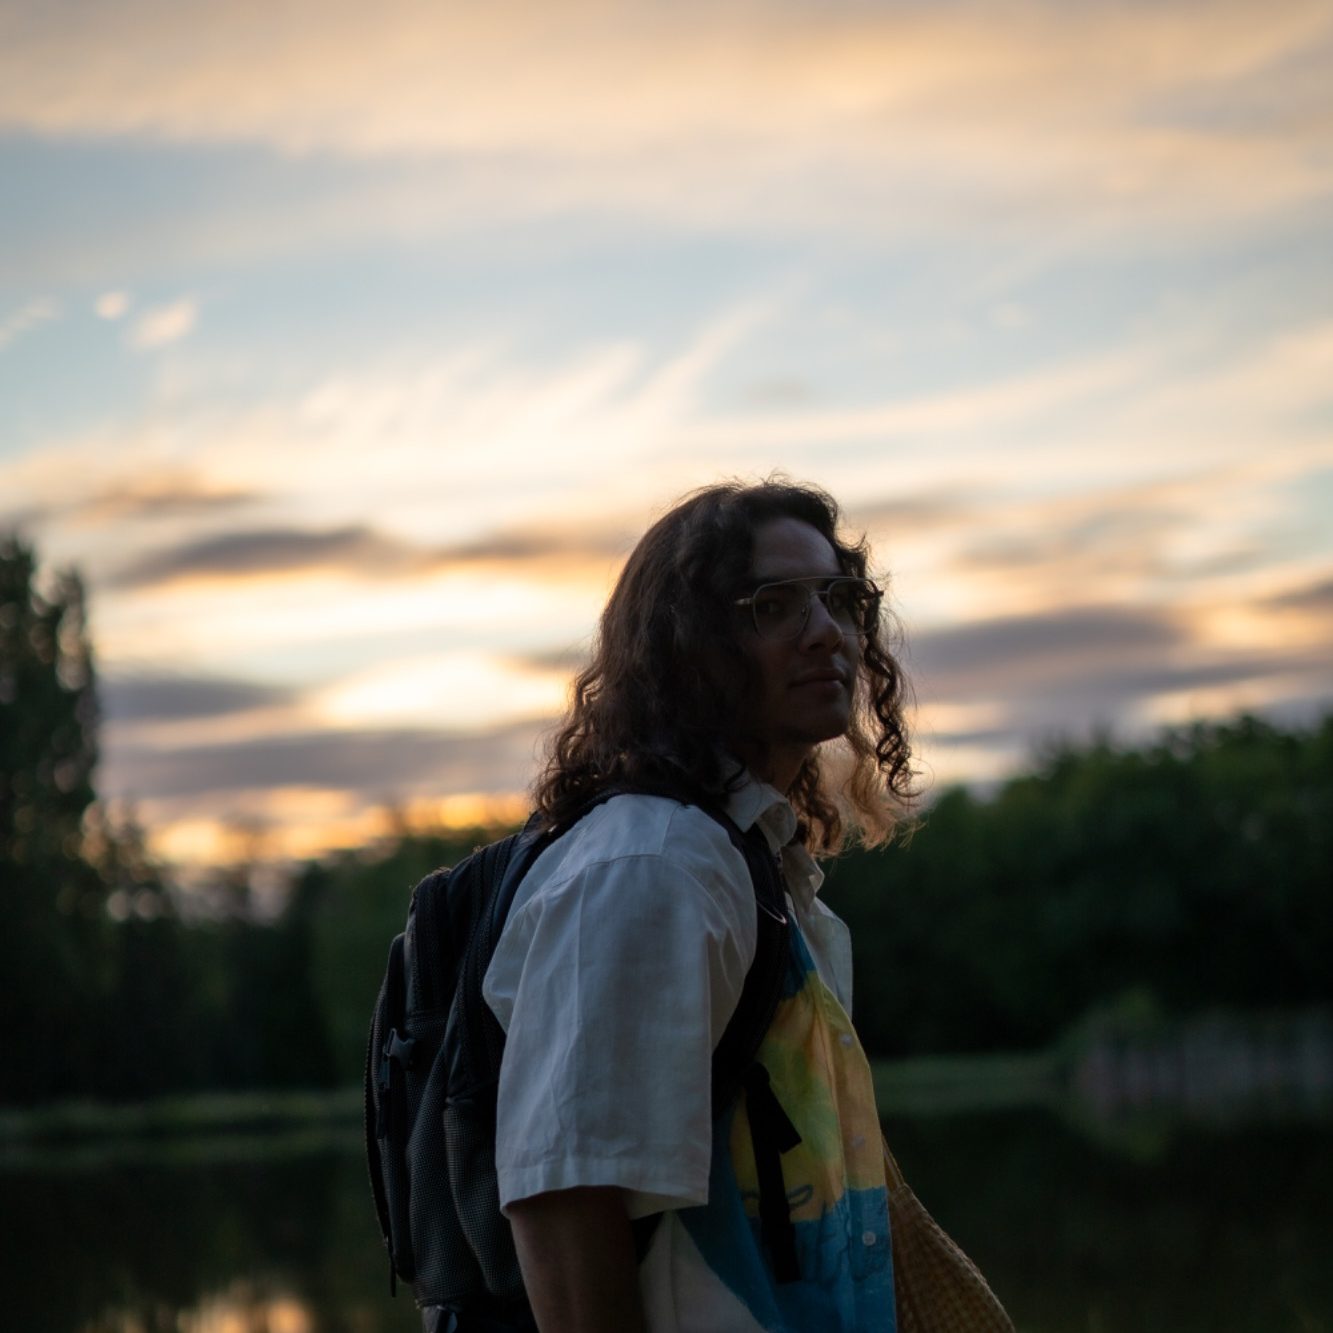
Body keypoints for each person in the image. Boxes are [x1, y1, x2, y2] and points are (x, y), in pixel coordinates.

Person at [481, 478, 916, 1332]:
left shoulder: (748, 860)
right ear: (688, 646)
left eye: (839, 599)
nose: (827, 630)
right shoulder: (651, 864)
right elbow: (563, 1195)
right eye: (774, 605)